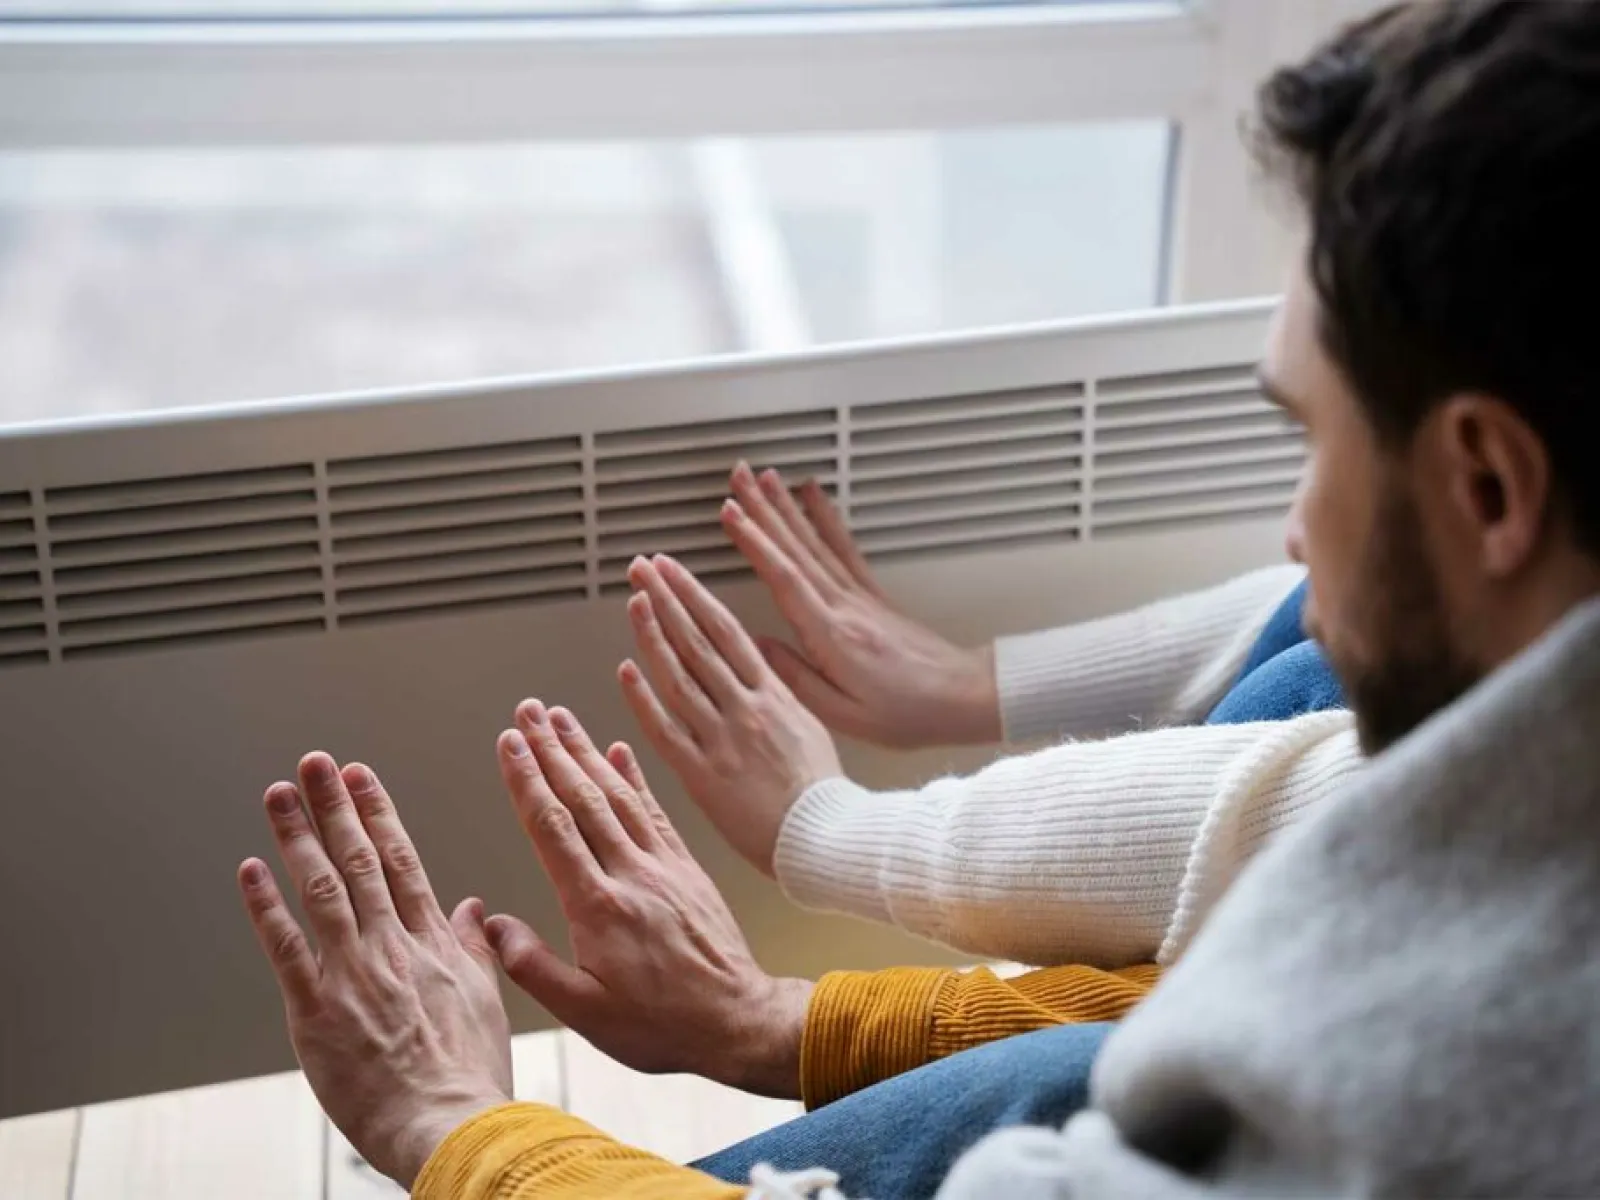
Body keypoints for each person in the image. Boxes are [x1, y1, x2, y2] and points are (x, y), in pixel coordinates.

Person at [236, 0, 1600, 1194]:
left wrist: (451, 1127)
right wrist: (776, 1005)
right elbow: (1290, 795)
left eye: (1312, 442)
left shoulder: (1432, 1096)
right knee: (1327, 661)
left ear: (1488, 481)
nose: (1294, 535)